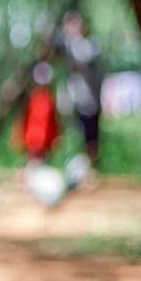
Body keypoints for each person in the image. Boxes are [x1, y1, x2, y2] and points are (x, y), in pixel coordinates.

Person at [58, 11, 102, 168]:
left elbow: (82, 58)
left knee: (90, 137)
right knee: (73, 135)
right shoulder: (65, 45)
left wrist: (70, 42)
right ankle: (75, 167)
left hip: (89, 102)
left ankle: (90, 168)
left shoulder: (88, 45)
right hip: (73, 101)